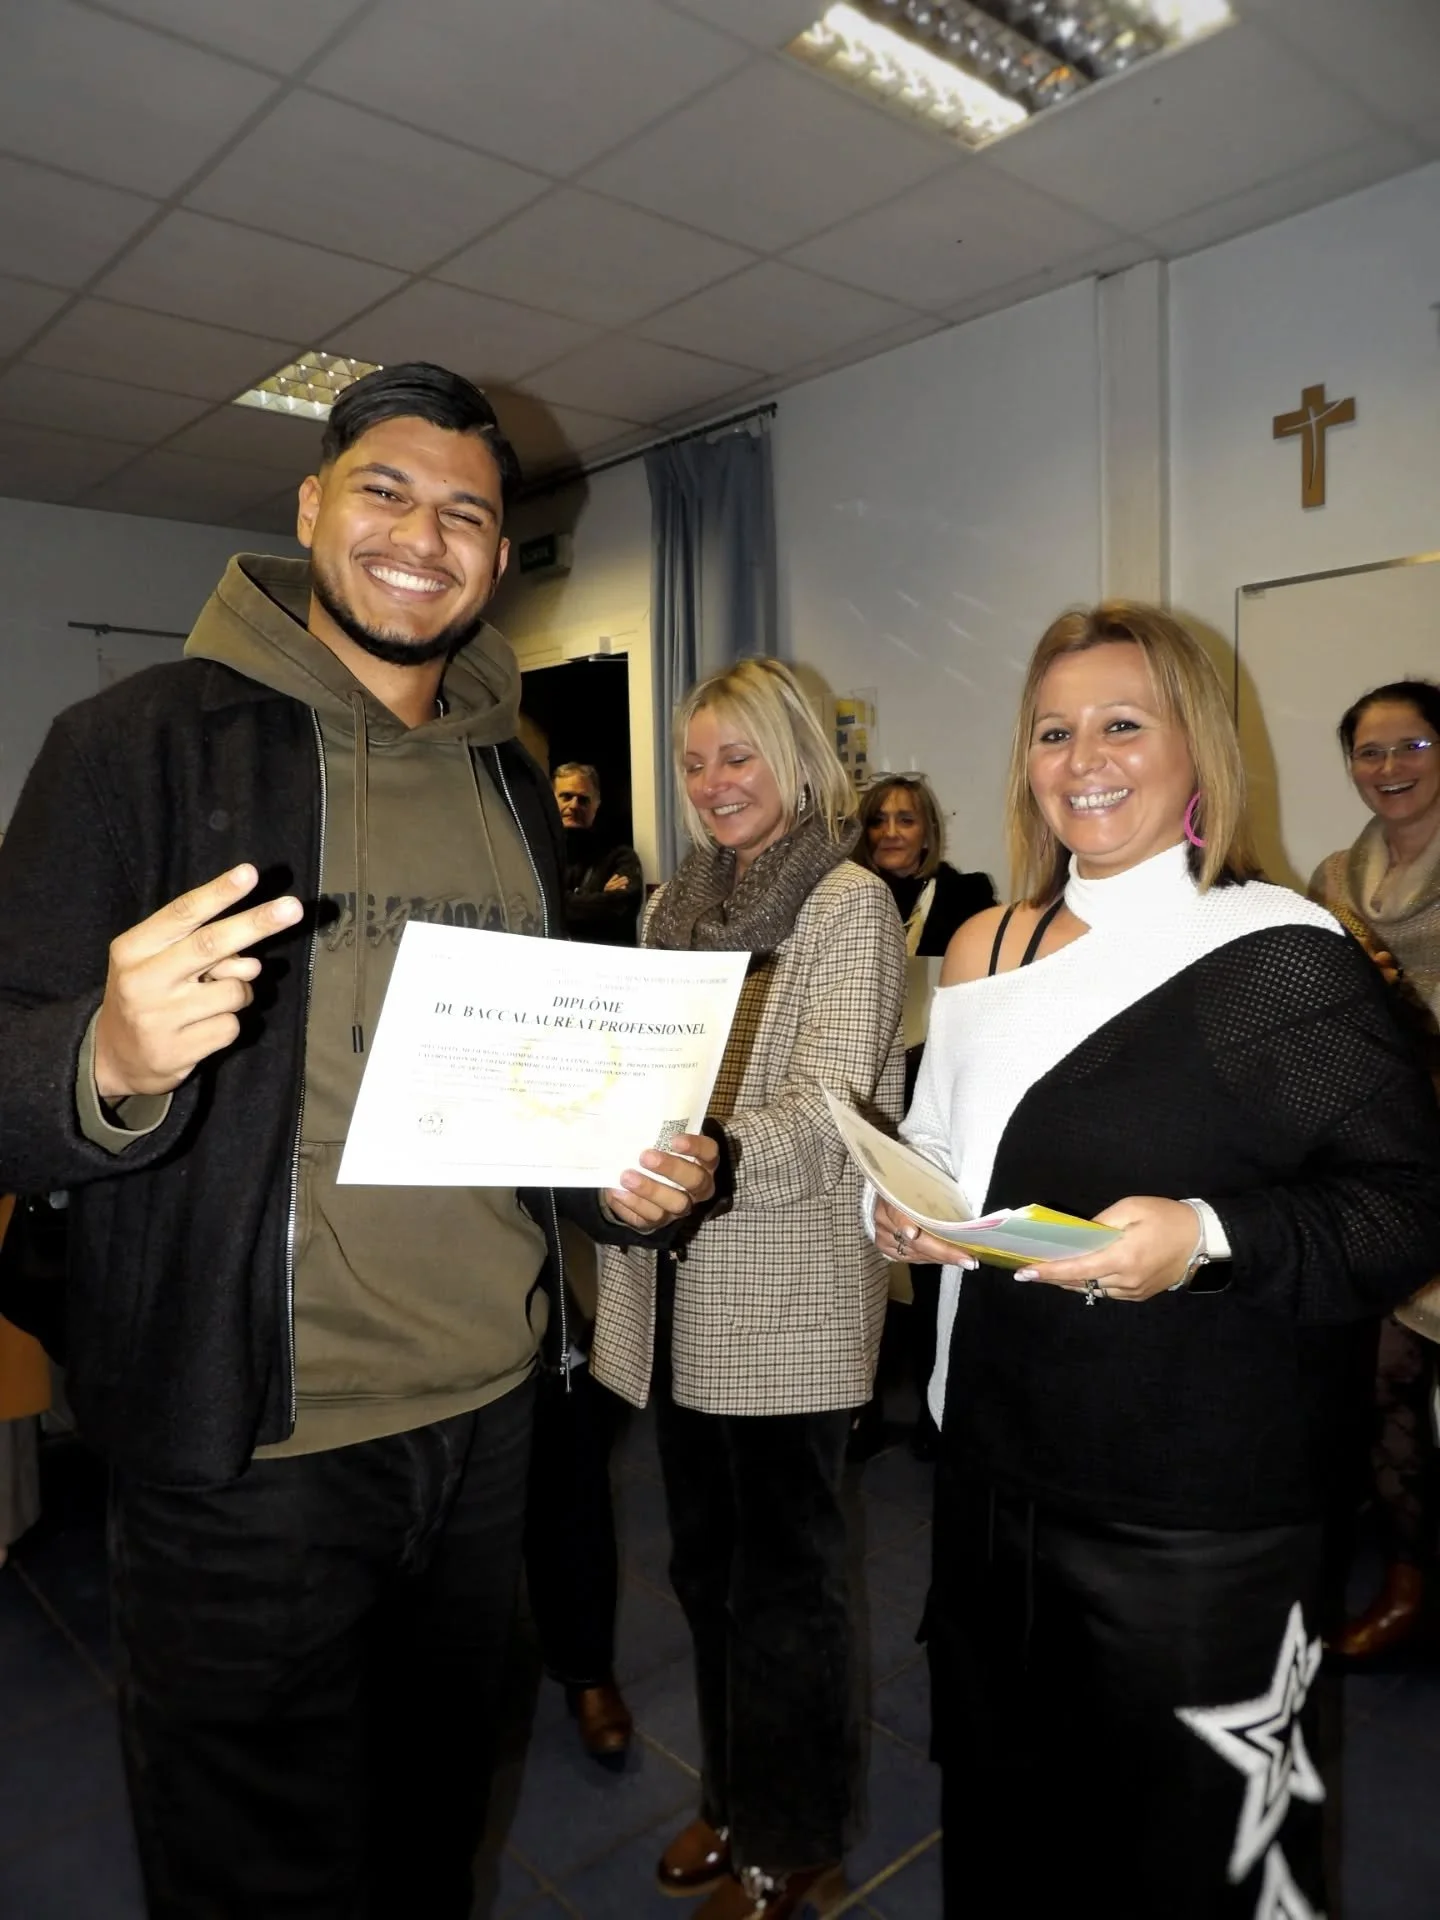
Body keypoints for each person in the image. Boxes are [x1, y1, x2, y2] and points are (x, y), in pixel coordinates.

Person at [0, 362, 716, 1920]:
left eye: (467, 512)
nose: (425, 534)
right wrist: (104, 1058)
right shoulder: (134, 747)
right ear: (311, 506)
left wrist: (615, 1183)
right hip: (250, 1438)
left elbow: (517, 1088)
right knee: (252, 1874)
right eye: (385, 490)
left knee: (427, 1832)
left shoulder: (509, 782)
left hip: (487, 1421)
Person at [874, 603, 1440, 1919]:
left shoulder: (1272, 958)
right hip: (995, 1474)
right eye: (1053, 730)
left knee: (1204, 1864)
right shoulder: (987, 944)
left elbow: (1408, 1202)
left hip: (1196, 1512)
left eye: (1124, 723)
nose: (1084, 757)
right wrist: (894, 1214)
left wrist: (1208, 1237)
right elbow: (937, 1147)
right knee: (1014, 1823)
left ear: (1200, 748)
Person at [594, 658, 905, 1920]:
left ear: (799, 762)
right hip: (671, 1288)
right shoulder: (669, 905)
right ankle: (732, 1796)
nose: (714, 783)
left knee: (788, 1586)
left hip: (784, 1290)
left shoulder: (845, 905)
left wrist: (711, 1159)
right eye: (695, 762)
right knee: (703, 1571)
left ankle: (799, 1842)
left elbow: (836, 1107)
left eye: (740, 756)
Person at [1310, 678, 1440, 1661]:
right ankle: (1408, 1578)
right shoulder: (1331, 878)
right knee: (1379, 1371)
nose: (1390, 768)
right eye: (1370, 751)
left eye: (1413, 747)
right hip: (1380, 1155)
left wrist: (1401, 998)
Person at [852, 776, 995, 1458]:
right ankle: (859, 1407)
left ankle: (942, 1413)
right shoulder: (846, 897)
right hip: (864, 1096)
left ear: (929, 829)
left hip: (935, 1095)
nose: (890, 832)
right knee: (859, 1255)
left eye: (905, 819)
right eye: (877, 820)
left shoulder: (968, 897)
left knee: (936, 1254)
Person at [554, 761, 643, 944]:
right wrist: (600, 898)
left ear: (596, 805)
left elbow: (622, 906)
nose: (574, 805)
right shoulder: (538, 856)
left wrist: (564, 902)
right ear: (551, 799)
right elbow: (532, 907)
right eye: (566, 796)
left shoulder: (621, 858)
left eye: (583, 799)